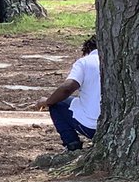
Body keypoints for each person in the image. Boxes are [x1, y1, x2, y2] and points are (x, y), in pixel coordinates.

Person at [31, 36, 100, 166]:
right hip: (119, 126)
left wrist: (47, 101)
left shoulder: (85, 62)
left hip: (93, 127)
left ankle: (72, 146)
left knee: (58, 104)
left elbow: (67, 88)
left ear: (87, 49)